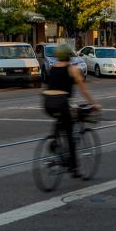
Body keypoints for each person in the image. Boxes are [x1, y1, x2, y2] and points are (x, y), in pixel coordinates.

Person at [42, 44, 100, 179]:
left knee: (60, 119)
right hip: (62, 102)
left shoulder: (52, 68)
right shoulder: (73, 69)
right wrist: (94, 104)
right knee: (69, 134)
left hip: (47, 102)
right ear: (69, 56)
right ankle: (74, 168)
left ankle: (55, 141)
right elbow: (83, 90)